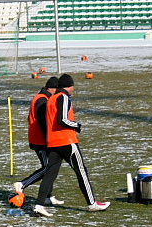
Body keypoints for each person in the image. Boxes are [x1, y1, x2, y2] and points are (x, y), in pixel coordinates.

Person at [33, 74, 110, 217]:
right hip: (66, 141)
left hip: (53, 142)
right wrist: (76, 125)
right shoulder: (63, 97)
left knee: (49, 175)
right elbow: (62, 119)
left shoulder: (51, 99)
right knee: (81, 171)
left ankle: (39, 205)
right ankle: (92, 203)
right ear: (70, 86)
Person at [12, 76, 64, 205]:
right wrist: (50, 137)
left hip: (40, 139)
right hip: (40, 141)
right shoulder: (42, 100)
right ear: (51, 89)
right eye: (57, 91)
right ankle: (22, 184)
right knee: (47, 168)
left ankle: (47, 196)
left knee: (49, 167)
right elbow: (43, 122)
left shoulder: (41, 97)